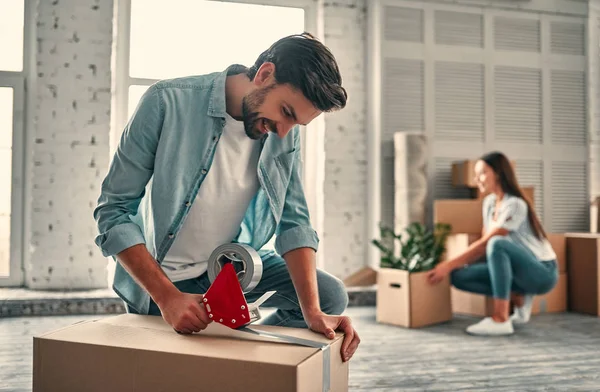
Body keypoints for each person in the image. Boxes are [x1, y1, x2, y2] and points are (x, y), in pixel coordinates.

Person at [93, 33, 360, 361]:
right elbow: (113, 211)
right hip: (164, 279)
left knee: (329, 295)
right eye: (286, 112)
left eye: (296, 123)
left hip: (229, 269)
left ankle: (247, 355)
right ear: (264, 74)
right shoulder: (166, 101)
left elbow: (294, 221)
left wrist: (313, 312)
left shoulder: (281, 133)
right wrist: (168, 298)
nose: (283, 131)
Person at [427, 151, 558, 336]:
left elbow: (488, 243)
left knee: (497, 243)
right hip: (516, 271)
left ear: (497, 173)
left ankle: (500, 319)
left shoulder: (516, 204)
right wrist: (451, 269)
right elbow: (483, 246)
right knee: (458, 276)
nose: (476, 178)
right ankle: (517, 295)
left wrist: (447, 265)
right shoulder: (489, 203)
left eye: (481, 173)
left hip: (542, 272)